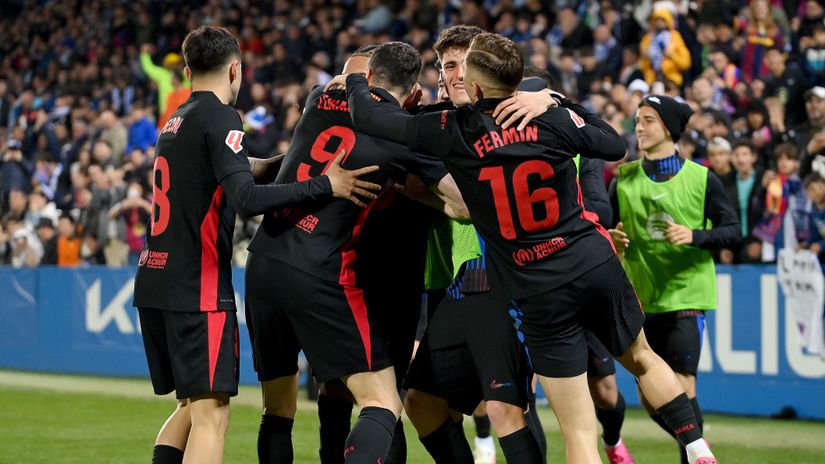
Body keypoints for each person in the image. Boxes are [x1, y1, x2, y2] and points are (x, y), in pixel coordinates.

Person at [344, 32, 718, 464]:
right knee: (642, 359)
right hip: (587, 260)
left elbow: (375, 120)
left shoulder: (451, 130)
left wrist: (355, 80)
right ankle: (697, 446)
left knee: (573, 430)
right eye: (447, 68)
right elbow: (614, 144)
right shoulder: (546, 117)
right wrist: (557, 102)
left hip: (533, 283)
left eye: (461, 68)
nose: (454, 76)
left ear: (478, 83)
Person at [132, 25, 381, 464]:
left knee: (189, 408)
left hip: (154, 278)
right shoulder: (222, 117)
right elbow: (245, 199)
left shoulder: (177, 120)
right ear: (236, 70)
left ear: (188, 70)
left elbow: (237, 171)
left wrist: (298, 160)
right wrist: (326, 182)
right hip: (198, 287)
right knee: (213, 416)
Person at [244, 41, 467, 464]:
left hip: (263, 262)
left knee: (277, 410)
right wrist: (422, 191)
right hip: (320, 270)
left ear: (361, 80)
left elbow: (294, 155)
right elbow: (462, 206)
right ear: (415, 92)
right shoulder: (404, 131)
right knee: (382, 401)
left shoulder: (318, 97)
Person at [608, 94, 741, 464]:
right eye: (637, 119)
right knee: (653, 401)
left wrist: (695, 235)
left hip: (686, 295)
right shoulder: (624, 177)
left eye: (649, 119)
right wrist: (611, 237)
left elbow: (733, 230)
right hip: (642, 297)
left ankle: (696, 457)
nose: (640, 127)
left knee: (682, 385)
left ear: (669, 128)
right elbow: (602, 227)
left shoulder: (702, 178)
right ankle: (698, 446)